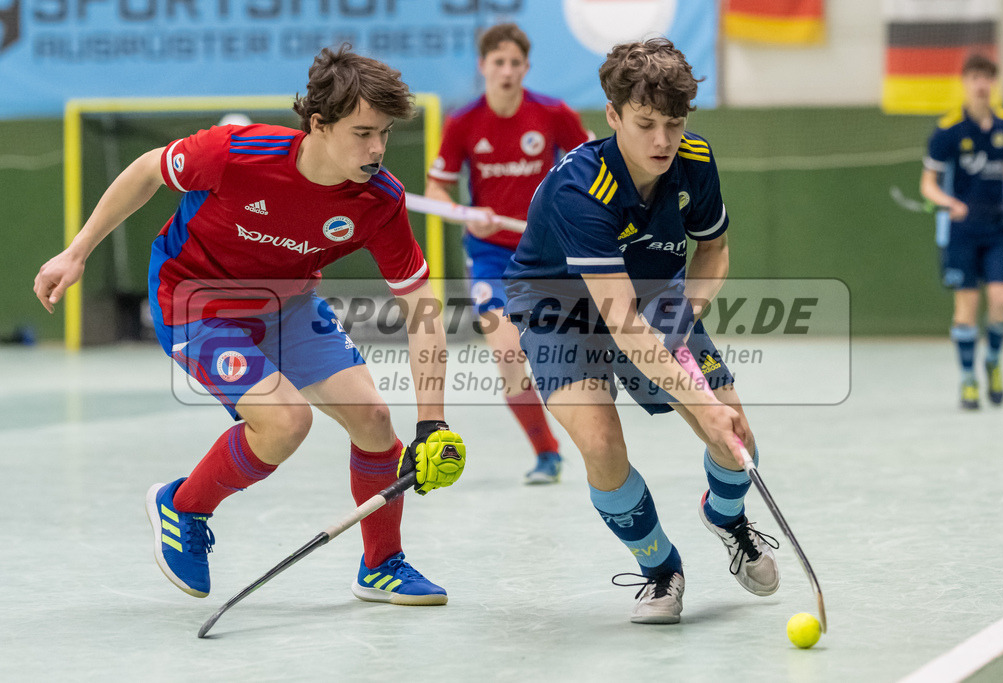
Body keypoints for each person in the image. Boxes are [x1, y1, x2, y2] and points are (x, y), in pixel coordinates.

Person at [33, 46, 466, 605]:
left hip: (285, 305)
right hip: (196, 302)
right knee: (285, 422)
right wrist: (77, 252)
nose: (378, 148)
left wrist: (432, 422)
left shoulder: (378, 201)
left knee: (376, 420)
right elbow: (147, 169)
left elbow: (420, 306)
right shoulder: (236, 153)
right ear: (319, 124)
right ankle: (183, 504)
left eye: (384, 132)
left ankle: (381, 566)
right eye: (363, 133)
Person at [503, 38, 779, 624]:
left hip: (652, 298)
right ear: (613, 115)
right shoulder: (582, 188)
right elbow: (618, 322)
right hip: (559, 308)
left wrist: (682, 320)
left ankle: (726, 518)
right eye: (645, 123)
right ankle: (660, 567)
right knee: (601, 444)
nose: (661, 141)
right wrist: (694, 401)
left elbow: (714, 251)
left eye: (673, 125)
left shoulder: (695, 163)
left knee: (737, 437)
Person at [424, 23, 590, 484]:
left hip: (549, 253)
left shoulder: (554, 113)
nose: (507, 71)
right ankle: (547, 452)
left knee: (574, 350)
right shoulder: (463, 122)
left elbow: (592, 169)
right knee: (507, 350)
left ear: (526, 68)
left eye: (515, 63)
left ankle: (594, 437)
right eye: (498, 63)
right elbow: (435, 187)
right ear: (483, 67)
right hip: (492, 257)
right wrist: (464, 212)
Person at [920, 53, 1003, 410]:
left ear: (994, 83)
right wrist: (950, 203)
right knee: (966, 308)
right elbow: (927, 185)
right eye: (975, 77)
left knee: (1001, 303)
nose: (981, 84)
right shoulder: (947, 131)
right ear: (965, 82)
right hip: (962, 232)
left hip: (997, 230)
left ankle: (992, 360)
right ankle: (967, 379)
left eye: (987, 78)